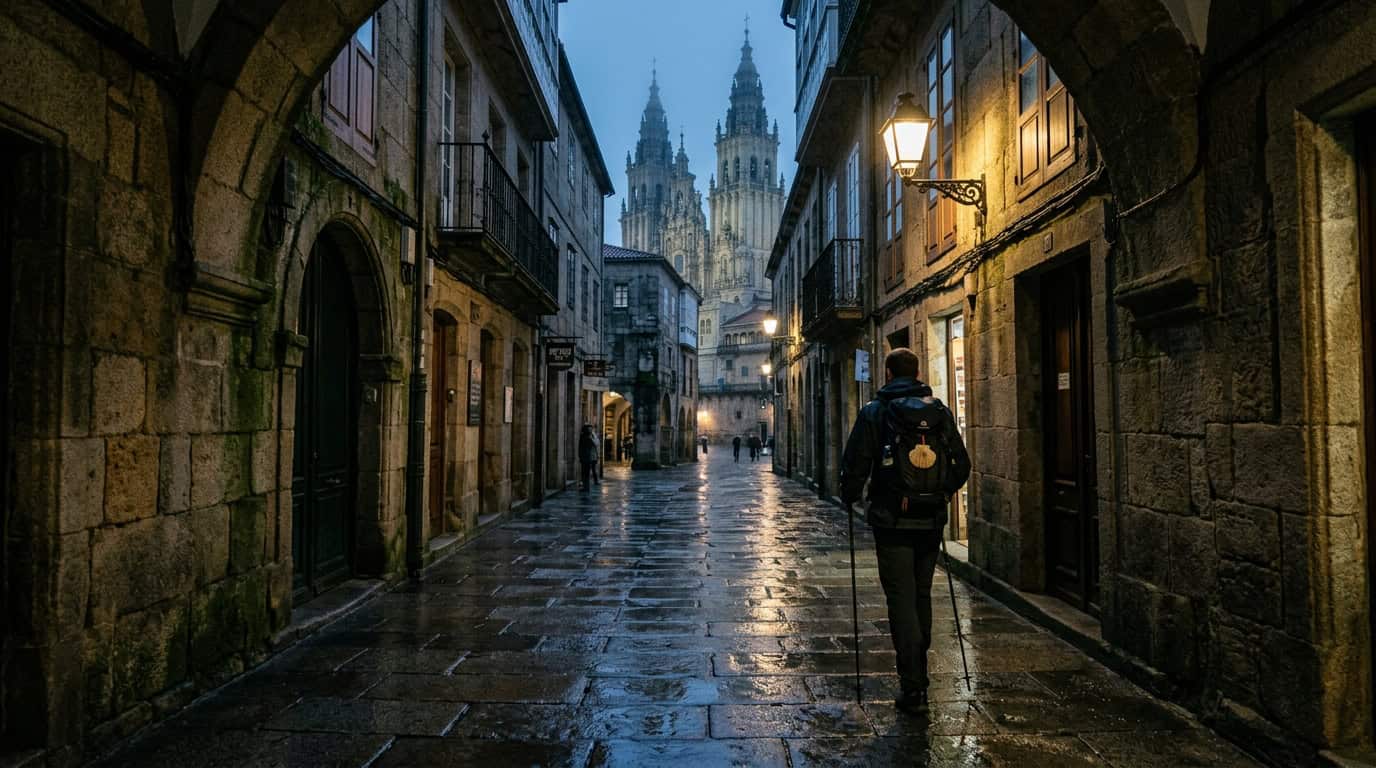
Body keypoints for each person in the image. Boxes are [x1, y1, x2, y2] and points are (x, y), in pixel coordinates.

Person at [840, 348, 970, 715]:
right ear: (917, 374)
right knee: (922, 595)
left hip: (891, 520)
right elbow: (962, 464)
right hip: (931, 521)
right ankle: (919, 673)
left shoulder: (874, 412)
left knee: (901, 599)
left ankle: (913, 686)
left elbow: (856, 463)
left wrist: (850, 494)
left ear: (887, 373)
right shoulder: (940, 411)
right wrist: (941, 493)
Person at [578, 424, 599, 490]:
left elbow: (595, 444)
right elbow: (595, 443)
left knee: (585, 473)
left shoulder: (585, 436)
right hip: (586, 456)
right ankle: (586, 487)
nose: (591, 430)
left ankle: (586, 487)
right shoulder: (586, 437)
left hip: (586, 457)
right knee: (585, 473)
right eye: (590, 429)